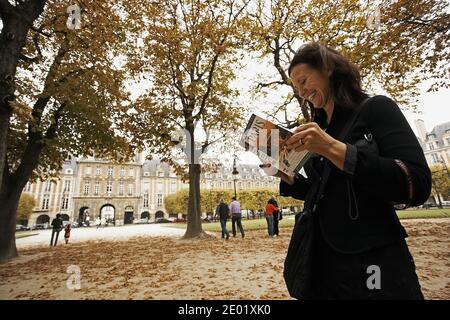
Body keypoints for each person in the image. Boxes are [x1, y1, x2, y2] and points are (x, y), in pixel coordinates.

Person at [262, 42, 431, 299]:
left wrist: (331, 148)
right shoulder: (321, 128)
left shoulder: (376, 108)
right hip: (323, 262)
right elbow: (323, 192)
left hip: (372, 259)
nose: (302, 90)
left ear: (328, 69)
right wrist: (286, 176)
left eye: (304, 80)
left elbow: (416, 183)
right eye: (296, 87)